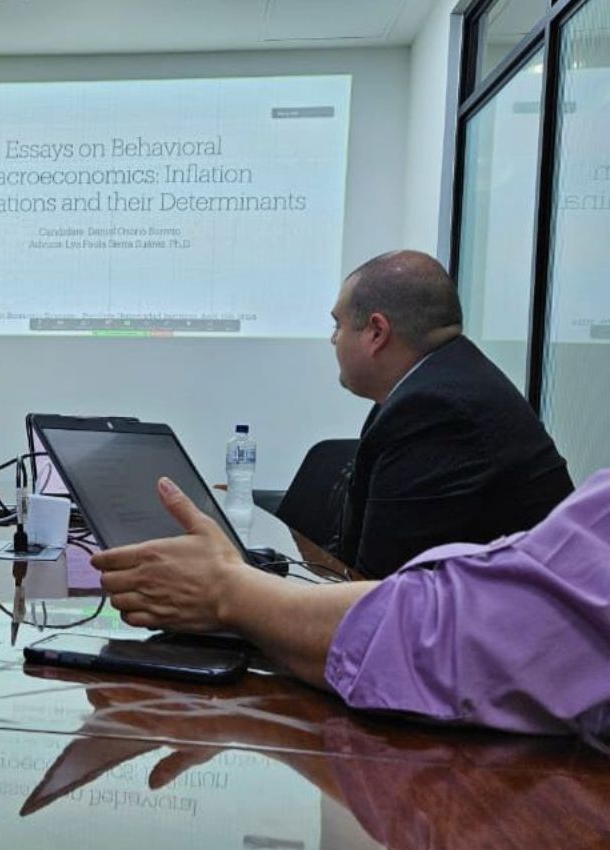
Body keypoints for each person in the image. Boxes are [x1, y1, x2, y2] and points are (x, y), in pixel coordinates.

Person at [92, 475, 610, 739]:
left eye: (339, 325)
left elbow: (449, 634)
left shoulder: (434, 403)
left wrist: (232, 593)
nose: (333, 339)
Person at [328, 250, 571, 577]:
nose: (333, 339)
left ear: (376, 332)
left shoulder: (436, 412)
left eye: (338, 325)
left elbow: (387, 595)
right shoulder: (435, 384)